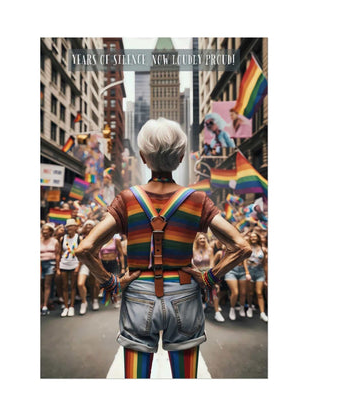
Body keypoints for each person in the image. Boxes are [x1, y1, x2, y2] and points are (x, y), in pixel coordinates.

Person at [76, 118, 251, 379]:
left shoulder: (127, 200)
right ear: (181, 157)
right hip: (184, 292)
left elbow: (84, 249)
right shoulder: (197, 200)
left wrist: (112, 283)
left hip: (138, 293)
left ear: (144, 157)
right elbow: (242, 246)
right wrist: (209, 277)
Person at [192, 233, 224, 322]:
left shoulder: (209, 249)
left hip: (207, 272)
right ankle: (198, 311)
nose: (202, 240)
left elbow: (212, 263)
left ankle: (217, 312)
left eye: (203, 238)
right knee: (195, 292)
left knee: (214, 291)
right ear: (197, 240)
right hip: (196, 273)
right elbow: (192, 264)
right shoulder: (193, 250)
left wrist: (210, 274)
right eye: (200, 238)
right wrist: (198, 274)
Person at [56, 219, 82, 317]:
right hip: (64, 264)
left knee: (73, 286)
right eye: (68, 226)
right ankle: (66, 307)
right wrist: (58, 268)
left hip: (74, 264)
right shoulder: (63, 238)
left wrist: (78, 266)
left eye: (72, 226)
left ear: (75, 227)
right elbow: (58, 253)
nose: (70, 228)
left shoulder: (78, 238)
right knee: (65, 286)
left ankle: (71, 307)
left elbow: (81, 254)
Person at [244, 232, 268, 322]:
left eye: (255, 237)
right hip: (250, 271)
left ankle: (262, 313)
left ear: (258, 238)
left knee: (259, 292)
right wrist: (247, 272)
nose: (253, 238)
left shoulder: (264, 249)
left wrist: (266, 277)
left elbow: (265, 263)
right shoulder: (248, 248)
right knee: (250, 293)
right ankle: (250, 307)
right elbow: (244, 261)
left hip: (259, 272)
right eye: (252, 237)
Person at [77, 220, 99, 314]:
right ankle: (84, 302)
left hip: (95, 263)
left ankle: (95, 300)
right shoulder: (81, 238)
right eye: (87, 225)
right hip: (84, 263)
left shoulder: (98, 237)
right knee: (80, 284)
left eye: (91, 224)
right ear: (84, 227)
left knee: (95, 285)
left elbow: (98, 252)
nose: (89, 226)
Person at [99, 233, 125, 308]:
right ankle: (111, 298)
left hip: (113, 263)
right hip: (104, 263)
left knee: (115, 282)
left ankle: (117, 299)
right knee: (107, 282)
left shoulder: (116, 240)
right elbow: (99, 254)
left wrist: (123, 267)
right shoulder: (101, 241)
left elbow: (121, 254)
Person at [40, 223, 60, 315]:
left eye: (46, 230)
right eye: (43, 230)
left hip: (50, 264)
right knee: (41, 285)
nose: (44, 232)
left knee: (47, 285)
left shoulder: (55, 241)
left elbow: (57, 255)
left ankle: (44, 306)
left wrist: (57, 267)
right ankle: (42, 303)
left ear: (51, 231)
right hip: (40, 264)